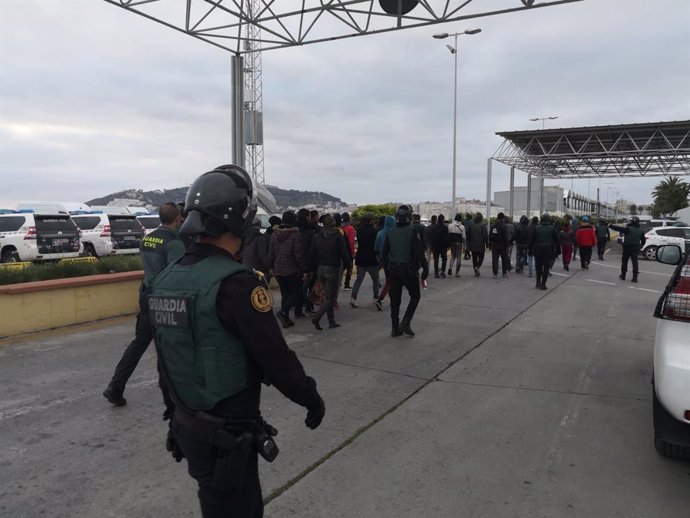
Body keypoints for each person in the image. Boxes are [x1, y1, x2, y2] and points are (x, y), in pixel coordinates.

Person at [150, 165, 325, 518]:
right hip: (227, 434)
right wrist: (310, 397)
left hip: (189, 425)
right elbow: (274, 358)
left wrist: (175, 413)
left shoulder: (166, 279)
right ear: (240, 220)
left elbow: (167, 355)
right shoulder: (237, 283)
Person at [103, 202, 185, 407]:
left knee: (139, 343)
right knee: (168, 348)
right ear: (177, 219)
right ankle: (173, 397)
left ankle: (115, 387)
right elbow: (177, 276)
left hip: (146, 293)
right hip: (166, 300)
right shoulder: (175, 243)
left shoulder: (147, 238)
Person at [381, 205, 429, 337]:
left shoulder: (390, 232)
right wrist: (425, 268)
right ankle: (406, 321)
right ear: (409, 216)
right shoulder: (412, 231)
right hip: (408, 270)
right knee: (415, 296)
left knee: (395, 301)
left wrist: (387, 272)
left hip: (394, 270)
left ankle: (394, 328)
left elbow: (384, 255)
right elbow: (419, 252)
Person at [308, 213, 352, 329]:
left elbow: (311, 254)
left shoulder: (317, 236)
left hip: (320, 268)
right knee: (330, 298)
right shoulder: (338, 235)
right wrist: (349, 266)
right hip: (332, 268)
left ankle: (331, 321)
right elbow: (344, 253)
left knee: (326, 296)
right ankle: (317, 318)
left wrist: (310, 269)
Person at [269, 210, 306, 328]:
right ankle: (282, 312)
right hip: (292, 269)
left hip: (278, 269)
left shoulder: (274, 234)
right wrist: (304, 269)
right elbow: (298, 254)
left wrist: (270, 266)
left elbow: (271, 253)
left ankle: (286, 319)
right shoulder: (295, 234)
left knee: (285, 293)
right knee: (296, 292)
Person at [350, 213, 381, 309]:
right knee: (376, 280)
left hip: (361, 257)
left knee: (359, 279)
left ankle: (353, 298)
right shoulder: (375, 231)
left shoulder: (359, 230)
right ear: (371, 220)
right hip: (371, 258)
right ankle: (376, 298)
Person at [610, 216, 646, 282]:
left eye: (630, 221)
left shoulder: (628, 229)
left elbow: (619, 229)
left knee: (624, 261)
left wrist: (610, 226)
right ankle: (635, 278)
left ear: (633, 222)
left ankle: (623, 275)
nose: (629, 222)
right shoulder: (641, 230)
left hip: (627, 247)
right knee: (635, 262)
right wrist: (641, 246)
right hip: (636, 247)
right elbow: (643, 240)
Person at [530, 213, 559, 290]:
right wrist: (558, 251)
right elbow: (556, 240)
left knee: (538, 266)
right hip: (548, 250)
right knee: (546, 268)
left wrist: (530, 250)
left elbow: (532, 240)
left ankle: (537, 282)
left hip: (538, 249)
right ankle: (543, 284)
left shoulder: (536, 228)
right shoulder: (552, 228)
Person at [374, 215, 396, 308]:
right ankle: (380, 299)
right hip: (394, 260)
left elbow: (376, 248)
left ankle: (392, 301)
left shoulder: (380, 233)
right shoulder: (394, 233)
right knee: (391, 282)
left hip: (384, 259)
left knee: (390, 280)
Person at [467, 212, 489, 276]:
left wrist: (468, 244)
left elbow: (468, 235)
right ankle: (477, 266)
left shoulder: (471, 225)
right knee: (481, 258)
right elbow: (485, 236)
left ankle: (475, 270)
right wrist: (487, 244)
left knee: (474, 258)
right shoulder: (483, 225)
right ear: (481, 218)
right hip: (480, 245)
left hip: (473, 244)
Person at [489, 212, 510, 279]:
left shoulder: (494, 226)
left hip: (495, 245)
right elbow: (506, 236)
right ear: (503, 218)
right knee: (504, 259)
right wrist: (507, 245)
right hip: (503, 245)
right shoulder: (504, 226)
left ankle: (495, 273)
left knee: (495, 259)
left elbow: (490, 235)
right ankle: (504, 273)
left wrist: (490, 244)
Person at [340, 212, 356, 290]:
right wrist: (352, 252)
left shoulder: (339, 228)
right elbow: (351, 242)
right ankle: (347, 284)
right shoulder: (350, 228)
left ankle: (338, 282)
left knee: (341, 268)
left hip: (340, 252)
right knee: (349, 267)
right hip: (348, 251)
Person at [430, 214, 449, 278]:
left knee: (436, 260)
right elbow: (446, 238)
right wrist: (448, 246)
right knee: (444, 259)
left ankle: (436, 273)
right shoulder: (445, 228)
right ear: (443, 220)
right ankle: (443, 272)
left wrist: (432, 246)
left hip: (435, 246)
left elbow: (432, 237)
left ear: (438, 219)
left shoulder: (434, 227)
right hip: (443, 246)